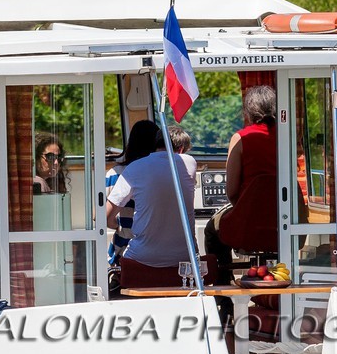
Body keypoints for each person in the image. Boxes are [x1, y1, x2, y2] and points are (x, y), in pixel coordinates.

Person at [204, 84, 278, 283]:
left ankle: (223, 291)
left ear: (248, 110)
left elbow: (232, 191)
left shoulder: (241, 138)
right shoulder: (287, 137)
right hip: (282, 221)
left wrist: (246, 209)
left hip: (246, 224)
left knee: (211, 230)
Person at [107, 128, 197, 283]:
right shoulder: (189, 163)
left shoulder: (134, 168)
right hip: (185, 257)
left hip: (142, 258)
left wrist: (116, 226)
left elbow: (104, 216)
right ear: (181, 149)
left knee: (115, 255)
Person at [106, 119, 159, 265]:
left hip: (125, 250)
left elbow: (103, 217)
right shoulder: (165, 175)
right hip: (159, 249)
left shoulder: (114, 174)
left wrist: (118, 225)